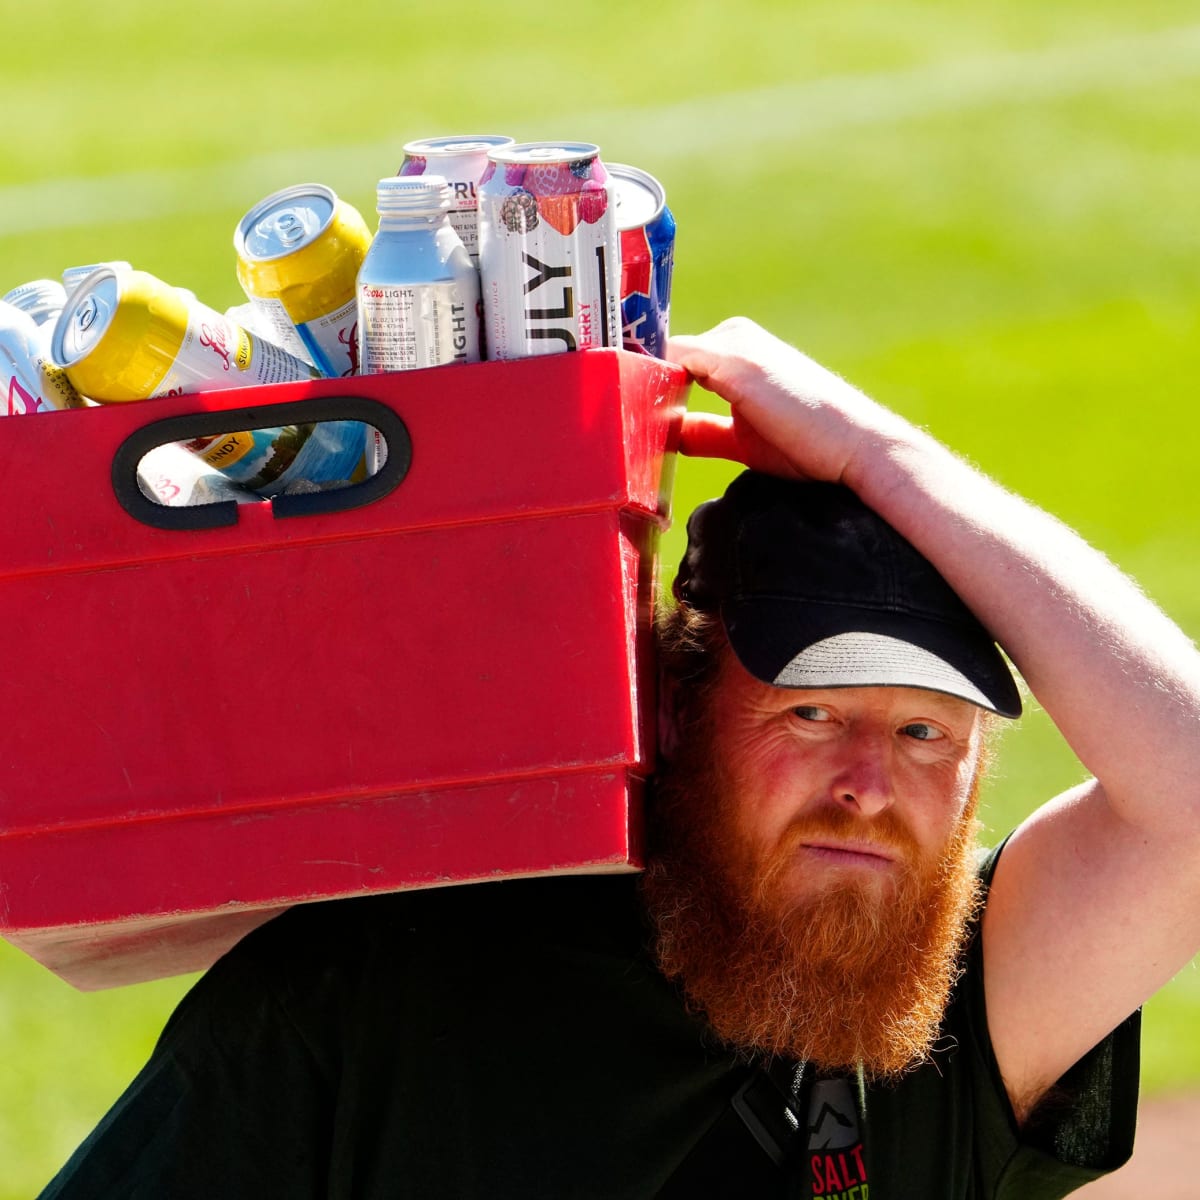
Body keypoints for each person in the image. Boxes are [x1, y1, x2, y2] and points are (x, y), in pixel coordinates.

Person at [38, 319, 1200, 1199]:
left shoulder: (962, 1013)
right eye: (809, 715)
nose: (867, 784)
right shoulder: (374, 998)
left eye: (924, 733)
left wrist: (875, 451)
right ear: (678, 713)